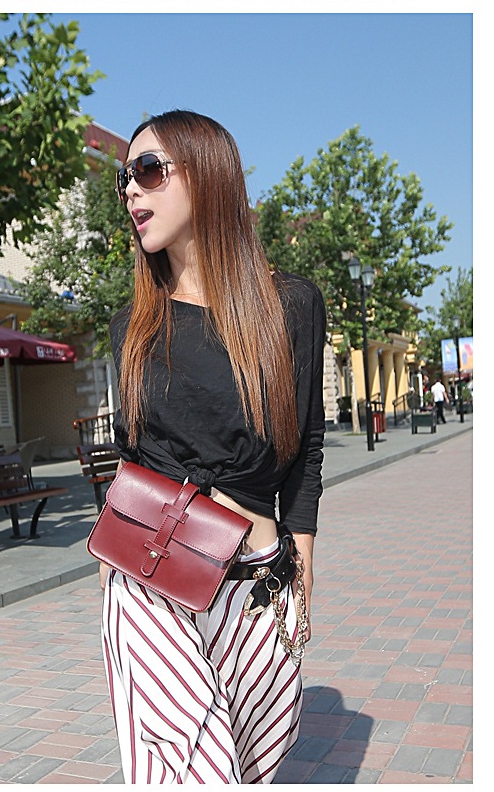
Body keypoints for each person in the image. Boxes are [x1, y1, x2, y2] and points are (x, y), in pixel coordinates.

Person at [100, 110, 325, 784]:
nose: (130, 190)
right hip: (149, 580)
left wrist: (303, 568)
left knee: (255, 765)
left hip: (258, 579)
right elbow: (132, 460)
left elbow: (307, 446)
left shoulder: (290, 306)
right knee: (197, 770)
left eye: (147, 171)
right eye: (124, 178)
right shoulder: (132, 326)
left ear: (206, 175)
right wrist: (109, 581)